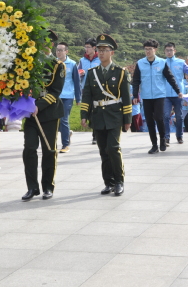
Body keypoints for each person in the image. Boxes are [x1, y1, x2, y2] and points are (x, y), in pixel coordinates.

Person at [80, 34, 132, 196]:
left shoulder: (120, 72)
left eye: (105, 50)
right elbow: (87, 95)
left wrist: (127, 119)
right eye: (99, 50)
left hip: (114, 115)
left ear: (112, 53)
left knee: (113, 148)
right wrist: (84, 114)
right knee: (103, 150)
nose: (101, 53)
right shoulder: (92, 73)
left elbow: (126, 97)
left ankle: (119, 181)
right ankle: (108, 182)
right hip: (98, 115)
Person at [22, 30, 65, 201]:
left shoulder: (57, 65)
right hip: (30, 113)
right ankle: (32, 187)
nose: (42, 45)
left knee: (49, 150)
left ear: (51, 44)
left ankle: (48, 186)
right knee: (29, 149)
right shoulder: (28, 62)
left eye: (45, 42)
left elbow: (55, 91)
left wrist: (38, 106)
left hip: (49, 113)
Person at [132, 39, 182, 154]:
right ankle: (154, 145)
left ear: (155, 50)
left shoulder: (162, 62)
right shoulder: (140, 63)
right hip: (146, 96)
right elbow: (136, 80)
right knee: (149, 121)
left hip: (159, 95)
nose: (147, 51)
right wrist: (135, 95)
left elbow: (170, 78)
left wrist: (178, 90)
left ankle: (162, 139)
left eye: (150, 49)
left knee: (159, 118)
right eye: (146, 49)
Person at [162, 42, 188, 145]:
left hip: (178, 94)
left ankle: (179, 136)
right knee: (166, 116)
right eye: (167, 50)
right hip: (165, 94)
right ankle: (166, 137)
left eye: (171, 50)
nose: (169, 52)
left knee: (179, 116)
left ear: (175, 51)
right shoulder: (161, 63)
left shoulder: (181, 62)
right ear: (164, 51)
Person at [56, 42, 81, 153]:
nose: (59, 52)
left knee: (63, 119)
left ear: (66, 51)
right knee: (55, 121)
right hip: (55, 96)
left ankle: (65, 145)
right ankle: (66, 133)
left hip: (67, 96)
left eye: (61, 50)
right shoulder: (54, 63)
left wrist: (78, 98)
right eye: (57, 50)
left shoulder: (72, 64)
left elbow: (77, 82)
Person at [78, 38, 100, 145]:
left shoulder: (99, 59)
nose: (86, 49)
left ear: (94, 48)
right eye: (85, 47)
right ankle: (88, 124)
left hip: (97, 89)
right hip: (85, 89)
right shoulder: (82, 60)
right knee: (88, 110)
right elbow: (77, 73)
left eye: (88, 47)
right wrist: (80, 74)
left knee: (96, 111)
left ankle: (95, 135)